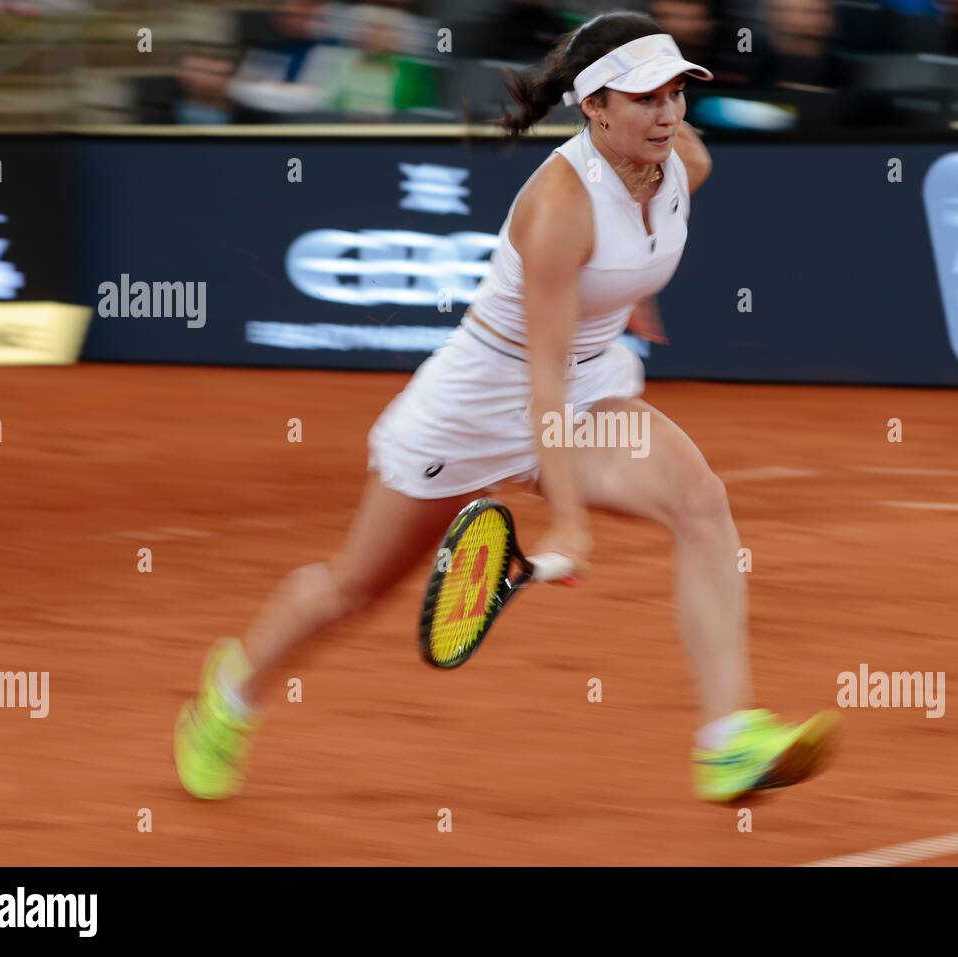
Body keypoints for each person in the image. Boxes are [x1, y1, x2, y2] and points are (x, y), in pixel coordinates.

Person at [174, 9, 840, 806]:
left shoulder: (681, 158)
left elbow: (624, 271)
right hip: (479, 402)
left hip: (588, 384)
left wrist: (631, 298)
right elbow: (540, 384)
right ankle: (229, 697)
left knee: (701, 501)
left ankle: (727, 741)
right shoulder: (561, 205)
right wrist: (569, 522)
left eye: (674, 93)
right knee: (354, 588)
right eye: (642, 98)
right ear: (594, 106)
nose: (666, 113)